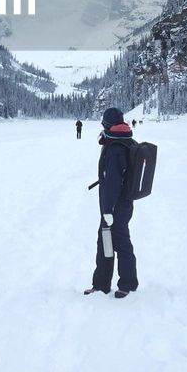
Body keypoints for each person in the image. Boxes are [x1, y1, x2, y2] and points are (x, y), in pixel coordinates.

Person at [84, 106, 139, 298]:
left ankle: (127, 284)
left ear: (107, 124)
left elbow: (114, 182)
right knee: (105, 241)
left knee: (121, 242)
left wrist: (108, 210)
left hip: (115, 206)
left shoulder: (116, 148)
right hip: (121, 203)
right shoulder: (125, 140)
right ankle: (101, 284)